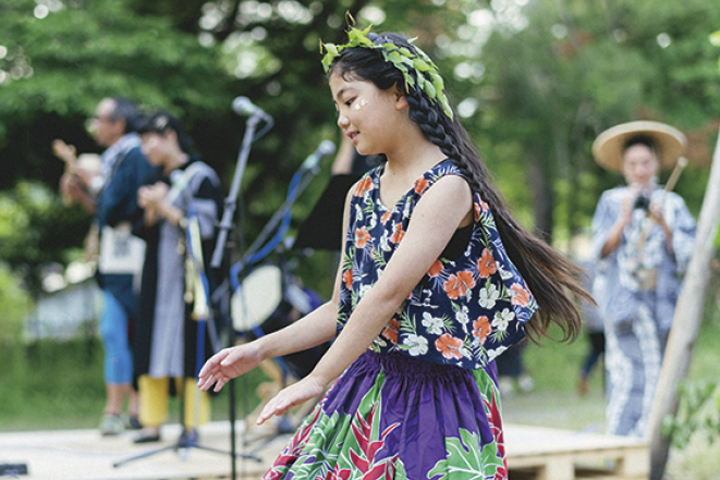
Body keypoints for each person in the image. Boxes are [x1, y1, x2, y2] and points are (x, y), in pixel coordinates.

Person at [198, 27, 589, 479]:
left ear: (399, 93)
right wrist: (259, 350)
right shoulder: (360, 194)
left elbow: (386, 296)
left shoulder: (446, 189)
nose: (342, 118)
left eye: (350, 100)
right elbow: (340, 307)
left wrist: (317, 379)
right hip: (369, 382)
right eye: (337, 107)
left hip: (438, 396)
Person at [591, 121, 696, 437]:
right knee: (624, 374)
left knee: (659, 373)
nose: (639, 169)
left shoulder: (672, 203)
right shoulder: (611, 200)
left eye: (645, 162)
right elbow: (600, 251)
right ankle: (620, 447)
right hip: (623, 307)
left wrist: (664, 224)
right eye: (633, 163)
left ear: (656, 164)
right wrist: (623, 219)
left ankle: (650, 449)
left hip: (661, 306)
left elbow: (688, 254)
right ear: (624, 167)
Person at [59, 97, 155, 436]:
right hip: (113, 262)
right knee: (114, 333)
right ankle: (116, 409)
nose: (95, 126)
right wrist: (84, 194)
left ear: (118, 123)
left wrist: (95, 184)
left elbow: (120, 207)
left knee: (132, 335)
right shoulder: (114, 159)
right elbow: (105, 211)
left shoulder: (134, 155)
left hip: (134, 262)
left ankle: (136, 409)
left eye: (100, 119)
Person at [130, 112, 223, 444]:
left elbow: (208, 227)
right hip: (157, 276)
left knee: (190, 349)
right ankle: (151, 422)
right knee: (149, 345)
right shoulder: (155, 176)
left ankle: (192, 425)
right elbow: (143, 229)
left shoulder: (200, 177)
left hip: (189, 277)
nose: (145, 150)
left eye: (148, 140)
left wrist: (163, 206)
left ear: (169, 135)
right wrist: (152, 209)